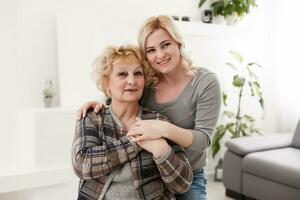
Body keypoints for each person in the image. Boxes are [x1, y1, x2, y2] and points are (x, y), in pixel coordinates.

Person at [77, 15, 221, 200]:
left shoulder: (205, 83)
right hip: (152, 168)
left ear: (179, 43)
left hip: (187, 172)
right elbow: (118, 95)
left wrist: (163, 130)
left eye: (166, 44)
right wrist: (98, 104)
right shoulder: (145, 82)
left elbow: (203, 140)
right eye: (151, 50)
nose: (160, 55)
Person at [72, 44, 193, 200]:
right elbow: (82, 164)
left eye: (137, 73)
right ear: (106, 83)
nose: (132, 81)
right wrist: (133, 141)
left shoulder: (157, 122)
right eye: (122, 74)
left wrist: (162, 151)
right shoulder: (93, 117)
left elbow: (183, 184)